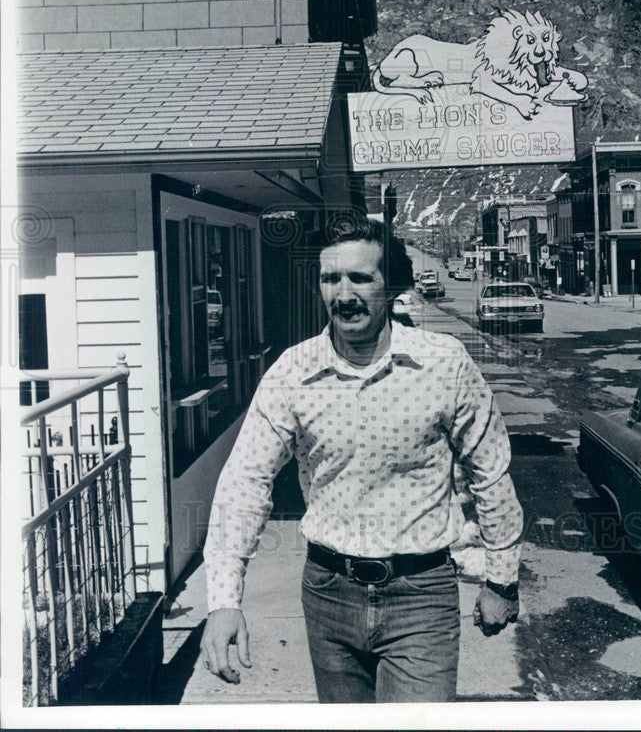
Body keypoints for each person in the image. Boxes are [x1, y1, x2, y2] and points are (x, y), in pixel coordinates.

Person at [201, 216, 523, 703]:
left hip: (422, 596)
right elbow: (245, 483)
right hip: (328, 595)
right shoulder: (294, 372)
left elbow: (490, 469)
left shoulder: (444, 363)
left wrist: (501, 577)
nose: (344, 294)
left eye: (360, 278)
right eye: (331, 279)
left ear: (389, 285)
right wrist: (224, 601)